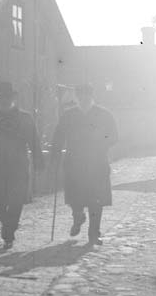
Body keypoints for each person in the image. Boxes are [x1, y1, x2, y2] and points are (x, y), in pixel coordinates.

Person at [0, 81, 44, 248]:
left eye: (8, 97)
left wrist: (38, 161)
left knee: (16, 200)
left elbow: (34, 141)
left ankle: (9, 233)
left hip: (19, 165)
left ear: (13, 99)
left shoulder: (25, 118)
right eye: (2, 98)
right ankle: (8, 224)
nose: (5, 101)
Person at [51, 83, 118, 245]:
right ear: (77, 97)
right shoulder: (69, 115)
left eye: (87, 95)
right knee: (75, 197)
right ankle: (78, 216)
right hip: (74, 163)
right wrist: (55, 156)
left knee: (96, 199)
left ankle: (94, 233)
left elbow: (113, 136)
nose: (84, 99)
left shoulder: (104, 114)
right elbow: (58, 137)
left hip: (97, 163)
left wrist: (101, 145)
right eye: (81, 96)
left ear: (91, 96)